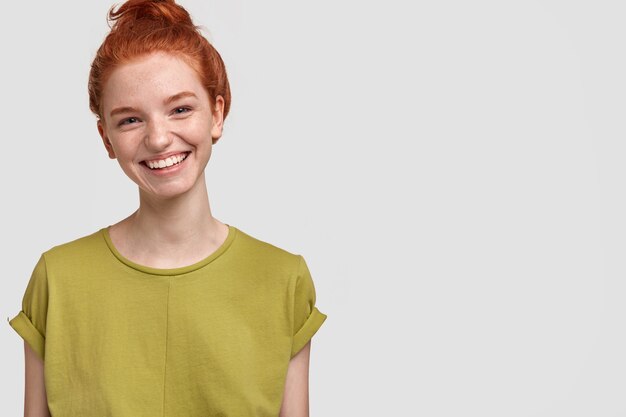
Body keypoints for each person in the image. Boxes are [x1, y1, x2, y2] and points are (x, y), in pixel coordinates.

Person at [7, 1, 328, 416]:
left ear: (217, 111)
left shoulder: (283, 280)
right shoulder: (58, 278)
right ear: (106, 139)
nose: (159, 139)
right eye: (130, 120)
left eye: (180, 109)